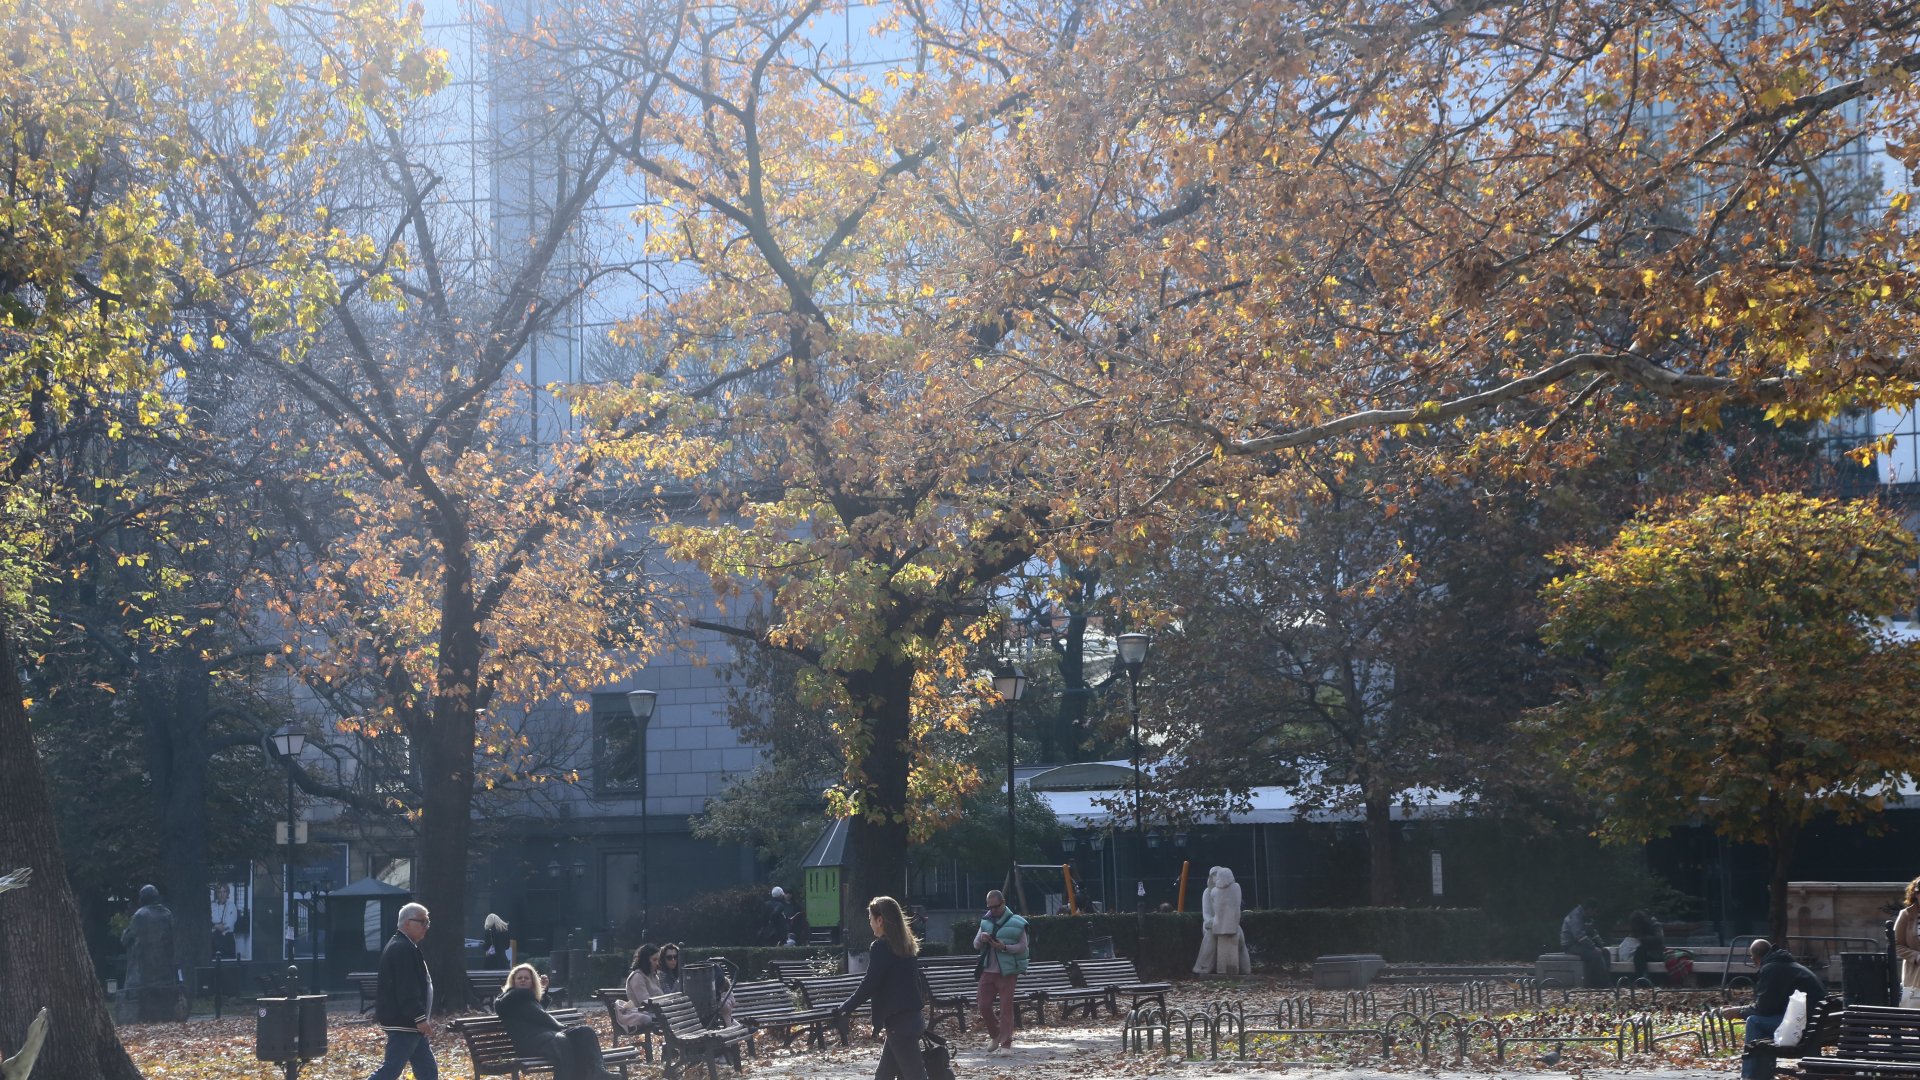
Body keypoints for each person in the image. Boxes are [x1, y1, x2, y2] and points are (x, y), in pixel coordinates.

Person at [832, 896, 928, 1080]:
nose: (870, 923)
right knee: (884, 1075)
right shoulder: (906, 946)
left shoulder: (881, 947)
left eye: (870, 918)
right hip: (911, 1020)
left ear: (880, 920)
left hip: (899, 1025)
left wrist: (845, 1008)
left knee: (915, 1076)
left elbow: (869, 984)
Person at [1719, 938, 1827, 1080]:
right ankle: (1760, 1074)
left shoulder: (1772, 969)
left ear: (1755, 957)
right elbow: (1772, 1007)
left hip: (1803, 1028)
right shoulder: (1788, 965)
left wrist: (1738, 1011)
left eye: (1752, 957)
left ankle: (1752, 1076)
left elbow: (1764, 1009)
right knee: (1759, 1021)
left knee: (1754, 1022)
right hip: (1816, 1026)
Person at [495, 964, 618, 1080]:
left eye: (526, 978)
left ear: (532, 982)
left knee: (585, 1032)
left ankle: (597, 1072)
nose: (523, 980)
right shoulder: (510, 999)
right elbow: (537, 1015)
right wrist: (561, 1027)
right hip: (531, 1044)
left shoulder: (526, 998)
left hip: (545, 1039)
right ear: (513, 981)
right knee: (563, 1042)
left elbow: (534, 1013)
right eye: (519, 978)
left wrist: (544, 990)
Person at [369, 902, 438, 1080]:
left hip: (408, 1022)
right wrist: (420, 1017)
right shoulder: (402, 948)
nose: (426, 927)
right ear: (407, 923)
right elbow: (407, 987)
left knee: (428, 1071)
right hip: (405, 1022)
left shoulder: (404, 945)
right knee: (390, 1071)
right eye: (423, 922)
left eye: (428, 922)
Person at [972, 889, 1028, 1051]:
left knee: (1005, 1008)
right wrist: (982, 940)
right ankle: (995, 1034)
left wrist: (1003, 947)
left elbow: (1023, 947)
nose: (992, 910)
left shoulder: (1018, 922)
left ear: (1003, 903)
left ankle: (1005, 1043)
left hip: (1007, 972)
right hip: (987, 970)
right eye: (990, 907)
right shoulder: (985, 921)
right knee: (983, 1005)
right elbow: (975, 945)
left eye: (995, 907)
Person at [1559, 898, 1609, 988]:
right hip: (1571, 945)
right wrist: (1594, 947)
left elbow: (1593, 933)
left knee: (1605, 953)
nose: (1595, 914)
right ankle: (1598, 983)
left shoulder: (1588, 917)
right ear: (1589, 909)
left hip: (1581, 944)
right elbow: (1579, 936)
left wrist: (1601, 946)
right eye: (1594, 911)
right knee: (1595, 954)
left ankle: (1606, 980)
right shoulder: (1575, 916)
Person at [612, 943, 662, 1034]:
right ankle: (676, 1044)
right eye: (654, 960)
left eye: (658, 959)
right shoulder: (637, 977)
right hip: (644, 1013)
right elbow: (645, 1002)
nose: (657, 963)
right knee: (676, 1017)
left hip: (656, 1012)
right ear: (645, 960)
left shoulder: (653, 976)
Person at [1894, 876, 1920, 1007]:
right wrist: (1916, 956)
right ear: (1914, 894)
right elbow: (1896, 944)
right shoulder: (1906, 915)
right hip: (1916, 973)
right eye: (1919, 892)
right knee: (1915, 1010)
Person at [1628, 910, 1667, 985]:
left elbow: (1659, 939)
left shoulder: (1655, 924)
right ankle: (1641, 977)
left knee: (1640, 951)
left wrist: (1643, 938)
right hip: (1644, 953)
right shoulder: (1639, 927)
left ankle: (1643, 977)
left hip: (1656, 953)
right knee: (1639, 952)